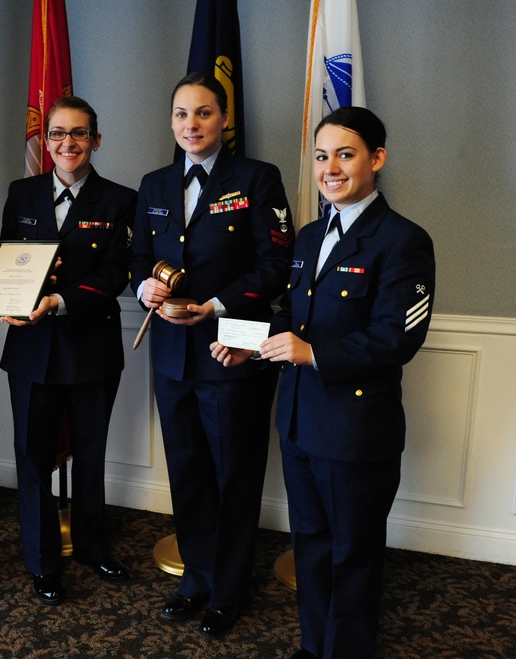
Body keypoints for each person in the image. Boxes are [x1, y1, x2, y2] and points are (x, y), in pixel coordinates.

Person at [212, 106, 436, 659]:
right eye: (320, 156)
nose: (330, 168)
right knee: (311, 546)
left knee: (352, 554)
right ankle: (315, 648)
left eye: (345, 154)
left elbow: (397, 339)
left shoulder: (403, 240)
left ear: (376, 159)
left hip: (357, 429)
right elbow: (292, 313)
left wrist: (312, 353)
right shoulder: (310, 237)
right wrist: (253, 346)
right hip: (299, 421)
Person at [130, 72, 294, 639]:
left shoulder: (256, 178)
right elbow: (139, 259)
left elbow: (276, 265)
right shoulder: (153, 185)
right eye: (180, 114)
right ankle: (196, 579)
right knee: (190, 473)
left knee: (235, 475)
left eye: (202, 114)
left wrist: (217, 305)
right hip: (172, 356)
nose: (190, 125)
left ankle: (229, 590)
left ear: (224, 119)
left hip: (234, 347)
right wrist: (144, 288)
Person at [0, 96, 136, 605]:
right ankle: (42, 561)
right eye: (57, 134)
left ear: (96, 141)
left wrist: (59, 300)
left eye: (79, 134)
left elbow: (117, 272)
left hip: (90, 345)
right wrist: (1, 298)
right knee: (32, 457)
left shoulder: (121, 199)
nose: (67, 143)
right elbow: (7, 257)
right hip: (30, 348)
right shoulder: (22, 193)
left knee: (91, 454)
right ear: (45, 141)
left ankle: (92, 545)